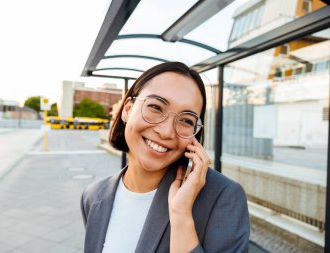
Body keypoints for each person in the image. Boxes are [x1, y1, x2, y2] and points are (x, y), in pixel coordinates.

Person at [80, 62, 250, 253]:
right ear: (127, 109)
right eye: (155, 107)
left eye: (186, 120)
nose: (166, 131)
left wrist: (181, 217)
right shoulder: (93, 195)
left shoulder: (222, 197)